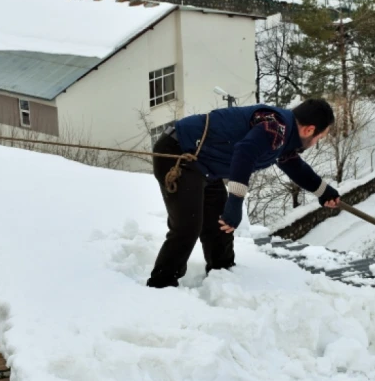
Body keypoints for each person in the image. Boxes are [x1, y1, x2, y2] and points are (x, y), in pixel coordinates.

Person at [146, 98, 341, 289]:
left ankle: (222, 274)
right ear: (309, 130)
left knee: (219, 225)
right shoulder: (276, 127)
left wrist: (324, 192)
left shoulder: (284, 135)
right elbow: (245, 152)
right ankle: (161, 285)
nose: (316, 142)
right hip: (178, 153)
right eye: (319, 137)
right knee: (188, 225)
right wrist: (235, 202)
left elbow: (295, 166)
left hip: (205, 165)